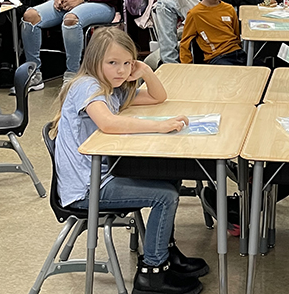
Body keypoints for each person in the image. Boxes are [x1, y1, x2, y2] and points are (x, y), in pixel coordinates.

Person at [51, 27, 208, 294]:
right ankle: (152, 275)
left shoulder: (111, 88)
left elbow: (158, 97)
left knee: (169, 173)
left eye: (126, 63)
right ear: (94, 62)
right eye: (112, 63)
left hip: (103, 174)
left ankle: (166, 254)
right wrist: (158, 127)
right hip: (86, 188)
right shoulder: (87, 86)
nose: (121, 71)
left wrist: (145, 70)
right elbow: (109, 123)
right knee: (165, 196)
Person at [179, 0, 246, 65]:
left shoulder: (229, 9)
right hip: (218, 58)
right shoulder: (195, 14)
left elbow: (236, 37)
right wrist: (187, 68)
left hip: (238, 54)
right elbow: (185, 45)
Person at [154, 0, 204, 64]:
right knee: (162, 1)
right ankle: (170, 62)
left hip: (204, 23)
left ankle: (169, 60)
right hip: (192, 23)